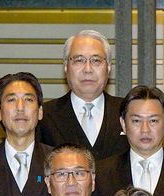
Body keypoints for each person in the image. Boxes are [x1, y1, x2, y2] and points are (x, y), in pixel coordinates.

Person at [38, 30, 128, 161]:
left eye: (96, 60)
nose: (87, 69)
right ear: (65, 67)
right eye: (79, 60)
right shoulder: (44, 116)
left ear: (108, 67)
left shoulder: (128, 112)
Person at [92, 85, 164, 196]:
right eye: (136, 121)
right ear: (123, 124)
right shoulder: (101, 174)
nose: (145, 129)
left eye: (153, 121)